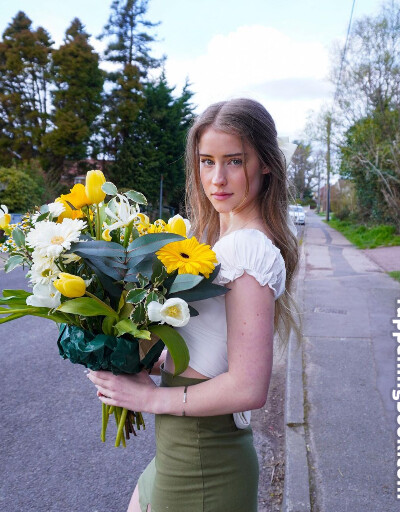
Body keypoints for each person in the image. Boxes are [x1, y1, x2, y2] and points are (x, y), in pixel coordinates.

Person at [87, 98, 300, 512]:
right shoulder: (215, 243)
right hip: (176, 451)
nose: (217, 178)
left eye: (234, 161)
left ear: (265, 164)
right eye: (207, 161)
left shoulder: (248, 249)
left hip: (205, 459)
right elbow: (207, 349)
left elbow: (249, 387)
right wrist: (125, 356)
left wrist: (149, 399)